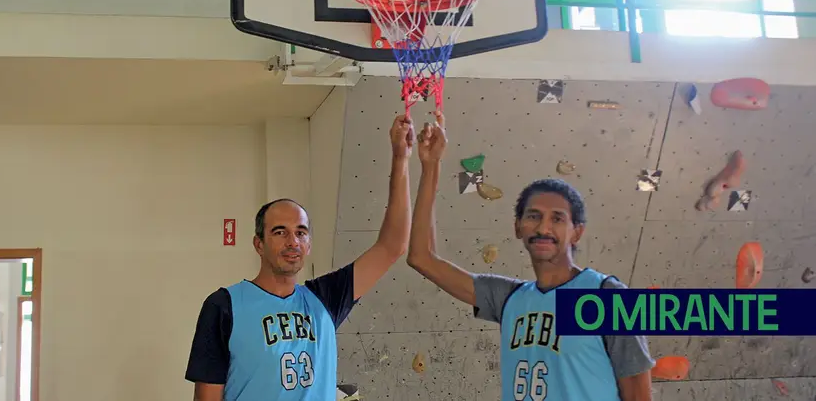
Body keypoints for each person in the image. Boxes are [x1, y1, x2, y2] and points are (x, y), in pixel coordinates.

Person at [406, 111, 655, 401]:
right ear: (518, 228)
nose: (543, 227)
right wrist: (430, 165)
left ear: (577, 232)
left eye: (557, 218)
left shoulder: (607, 298)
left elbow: (638, 394)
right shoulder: (510, 299)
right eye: (533, 216)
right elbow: (421, 257)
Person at [185, 114, 416, 401]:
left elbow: (392, 246)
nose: (292, 241)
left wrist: (401, 159)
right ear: (259, 244)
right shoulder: (224, 306)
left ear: (308, 245)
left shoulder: (325, 299)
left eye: (301, 232)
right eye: (280, 232)